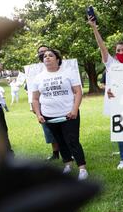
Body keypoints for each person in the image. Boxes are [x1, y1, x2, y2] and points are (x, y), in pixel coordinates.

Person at [87, 14, 123, 170]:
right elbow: (101, 45)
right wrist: (94, 27)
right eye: (118, 50)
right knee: (121, 132)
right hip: (117, 104)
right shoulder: (111, 64)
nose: (121, 52)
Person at [31, 49, 88, 180]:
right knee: (60, 141)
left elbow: (78, 92)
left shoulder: (68, 73)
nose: (47, 58)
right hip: (49, 116)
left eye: (50, 55)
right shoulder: (38, 78)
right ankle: (67, 164)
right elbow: (35, 99)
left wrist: (74, 110)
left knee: (72, 141)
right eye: (45, 56)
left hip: (69, 114)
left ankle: (82, 169)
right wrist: (38, 114)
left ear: (57, 59)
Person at [35, 45, 61, 161]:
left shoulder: (59, 67)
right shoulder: (34, 71)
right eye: (41, 53)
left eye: (46, 52)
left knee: (64, 131)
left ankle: (69, 152)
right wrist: (35, 109)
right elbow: (32, 91)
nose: (43, 54)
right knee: (49, 131)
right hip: (43, 107)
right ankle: (55, 153)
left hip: (60, 105)